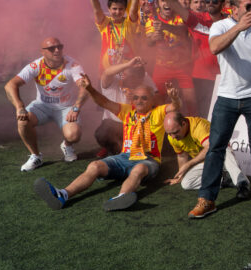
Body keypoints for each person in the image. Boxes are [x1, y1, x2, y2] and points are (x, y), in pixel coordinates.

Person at [34, 77, 181, 211]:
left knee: (139, 168)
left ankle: (122, 197)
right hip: (125, 157)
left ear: (151, 100)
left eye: (144, 98)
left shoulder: (158, 112)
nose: (139, 101)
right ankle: (63, 194)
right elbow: (103, 102)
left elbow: (174, 107)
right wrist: (90, 88)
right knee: (94, 166)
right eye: (136, 97)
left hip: (148, 159)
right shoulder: (127, 111)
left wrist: (174, 98)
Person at [188, 0, 251, 218]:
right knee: (215, 148)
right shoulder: (221, 26)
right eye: (248, 7)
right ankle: (207, 198)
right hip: (227, 96)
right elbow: (214, 48)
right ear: (233, 9)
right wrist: (239, 27)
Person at [5, 37, 88, 171]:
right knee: (22, 121)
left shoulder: (72, 64)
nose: (57, 50)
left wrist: (76, 107)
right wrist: (19, 107)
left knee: (74, 135)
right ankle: (35, 156)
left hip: (66, 107)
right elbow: (10, 85)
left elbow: (85, 87)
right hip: (42, 106)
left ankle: (67, 145)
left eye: (60, 47)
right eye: (51, 48)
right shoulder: (36, 65)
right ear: (42, 52)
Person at [164, 112, 249, 197]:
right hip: (205, 164)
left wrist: (189, 164)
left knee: (224, 149)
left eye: (175, 132)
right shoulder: (172, 137)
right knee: (186, 183)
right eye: (169, 133)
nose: (172, 137)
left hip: (220, 157)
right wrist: (180, 176)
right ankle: (224, 180)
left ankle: (243, 184)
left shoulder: (198, 126)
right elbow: (182, 156)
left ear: (183, 123)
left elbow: (210, 147)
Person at [145, 0, 196, 114]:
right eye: (163, 0)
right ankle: (159, 127)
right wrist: (154, 37)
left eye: (168, 0)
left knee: (191, 102)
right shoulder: (152, 19)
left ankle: (194, 126)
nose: (166, 3)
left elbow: (182, 31)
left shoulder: (180, 16)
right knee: (157, 102)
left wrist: (165, 27)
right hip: (162, 67)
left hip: (183, 67)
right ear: (158, 3)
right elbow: (148, 41)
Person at [95, 56, 156, 157]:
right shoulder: (114, 80)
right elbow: (106, 73)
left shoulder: (144, 78)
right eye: (130, 77)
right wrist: (128, 64)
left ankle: (128, 149)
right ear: (123, 74)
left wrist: (141, 98)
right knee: (103, 133)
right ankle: (115, 149)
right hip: (114, 124)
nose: (133, 81)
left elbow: (157, 99)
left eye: (136, 79)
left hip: (137, 124)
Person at [87, 0, 140, 72]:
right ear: (109, 9)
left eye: (121, 9)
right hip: (107, 72)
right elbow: (97, 10)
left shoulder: (129, 23)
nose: (117, 12)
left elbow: (133, 11)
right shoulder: (105, 23)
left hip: (129, 72)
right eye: (114, 9)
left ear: (125, 9)